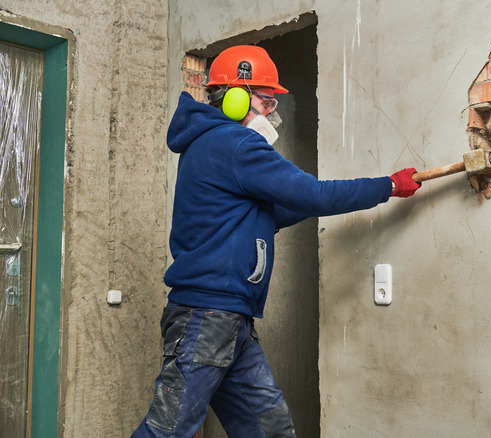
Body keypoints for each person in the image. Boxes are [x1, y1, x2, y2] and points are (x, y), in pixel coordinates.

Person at [132, 45, 421, 437]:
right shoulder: (235, 145)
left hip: (229, 318)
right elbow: (314, 195)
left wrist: (318, 198)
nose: (272, 112)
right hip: (207, 314)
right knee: (167, 431)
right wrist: (387, 186)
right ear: (236, 97)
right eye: (267, 100)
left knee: (268, 427)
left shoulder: (210, 145)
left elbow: (278, 211)